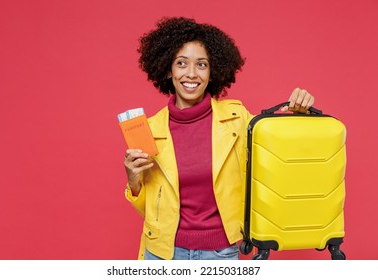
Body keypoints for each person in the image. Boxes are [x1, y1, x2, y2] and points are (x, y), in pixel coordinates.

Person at [123, 17, 315, 260]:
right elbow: (151, 210)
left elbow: (281, 152)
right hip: (162, 253)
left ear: (213, 72)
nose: (191, 74)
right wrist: (134, 181)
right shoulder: (149, 129)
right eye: (181, 63)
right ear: (168, 70)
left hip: (220, 253)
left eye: (201, 64)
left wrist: (299, 112)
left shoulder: (237, 119)